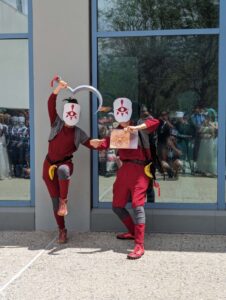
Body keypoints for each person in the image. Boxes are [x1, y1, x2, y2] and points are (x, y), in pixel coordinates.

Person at [97, 98, 159, 259]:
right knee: (117, 206)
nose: (122, 114)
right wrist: (93, 143)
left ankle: (139, 244)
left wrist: (135, 128)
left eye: (124, 111)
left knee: (138, 205)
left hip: (140, 170)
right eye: (119, 112)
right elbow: (106, 143)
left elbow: (155, 122)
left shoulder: (139, 126)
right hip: (124, 170)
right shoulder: (118, 130)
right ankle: (132, 232)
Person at [42, 79, 101, 244]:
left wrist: (103, 143)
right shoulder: (56, 124)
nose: (71, 115)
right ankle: (62, 229)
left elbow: (92, 144)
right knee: (54, 202)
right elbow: (50, 104)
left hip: (65, 164)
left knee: (63, 171)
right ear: (66, 111)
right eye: (69, 111)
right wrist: (58, 89)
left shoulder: (78, 133)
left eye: (74, 112)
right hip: (48, 165)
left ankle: (64, 201)